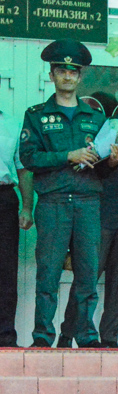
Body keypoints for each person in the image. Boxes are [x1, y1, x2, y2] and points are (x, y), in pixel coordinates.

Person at [20, 39, 118, 349]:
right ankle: (42, 338)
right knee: (48, 276)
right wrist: (68, 156)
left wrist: (113, 162)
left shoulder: (96, 118)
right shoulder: (36, 115)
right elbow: (29, 158)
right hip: (53, 203)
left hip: (89, 203)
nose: (67, 76)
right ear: (52, 74)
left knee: (88, 277)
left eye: (73, 71)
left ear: (80, 76)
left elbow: (101, 169)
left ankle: (86, 338)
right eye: (61, 70)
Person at [60, 79, 118, 348]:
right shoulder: (107, 125)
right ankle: (68, 335)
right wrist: (110, 163)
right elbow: (93, 168)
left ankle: (110, 338)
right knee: (86, 280)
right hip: (100, 214)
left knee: (116, 281)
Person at [0, 107, 33, 347]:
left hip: (3, 197)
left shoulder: (12, 124)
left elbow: (22, 168)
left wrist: (27, 207)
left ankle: (5, 338)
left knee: (5, 270)